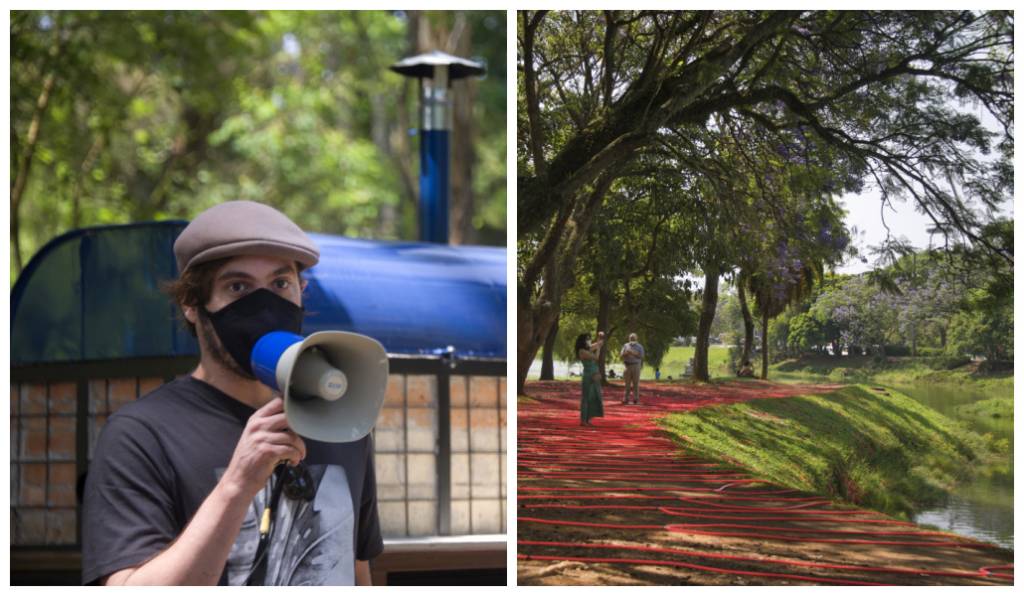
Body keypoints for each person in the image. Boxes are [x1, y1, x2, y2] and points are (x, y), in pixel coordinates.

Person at [81, 201, 382, 586]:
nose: (265, 305)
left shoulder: (341, 420)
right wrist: (237, 487)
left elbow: (358, 573)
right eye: (238, 287)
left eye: (280, 284)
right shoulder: (141, 435)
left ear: (301, 291)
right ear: (192, 305)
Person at [576, 331, 606, 426]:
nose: (589, 340)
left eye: (589, 338)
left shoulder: (588, 348)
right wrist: (598, 347)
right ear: (583, 341)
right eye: (587, 339)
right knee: (586, 398)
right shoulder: (582, 351)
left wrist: (599, 339)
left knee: (593, 396)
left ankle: (588, 419)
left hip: (594, 374)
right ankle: (583, 420)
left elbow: (598, 344)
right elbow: (596, 357)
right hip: (588, 375)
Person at [620, 333, 644, 404]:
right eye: (631, 338)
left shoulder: (640, 346)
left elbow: (641, 356)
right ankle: (626, 399)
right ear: (629, 338)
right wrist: (626, 353)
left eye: (633, 338)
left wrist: (633, 353)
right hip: (627, 366)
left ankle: (636, 399)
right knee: (627, 384)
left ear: (636, 338)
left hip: (636, 366)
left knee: (635, 383)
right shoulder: (625, 345)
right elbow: (621, 355)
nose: (632, 339)